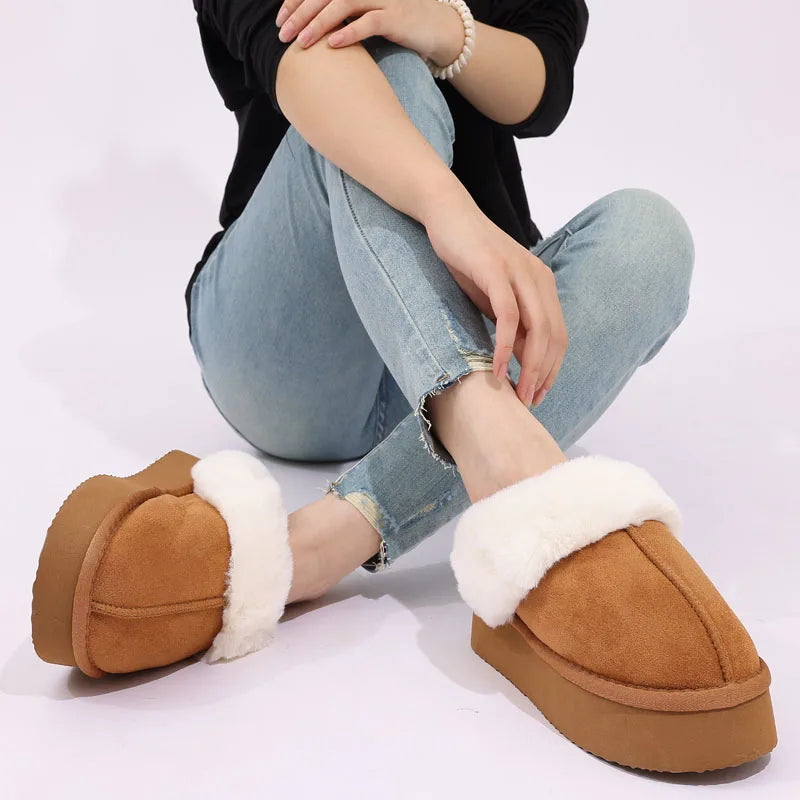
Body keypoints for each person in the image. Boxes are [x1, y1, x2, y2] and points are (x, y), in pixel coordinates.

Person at [30, 0, 778, 774]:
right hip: (287, 350)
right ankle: (497, 443)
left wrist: (445, 25)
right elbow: (299, 57)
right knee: (386, 75)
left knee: (651, 237)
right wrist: (448, 207)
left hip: (464, 316)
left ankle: (318, 542)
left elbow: (543, 83)